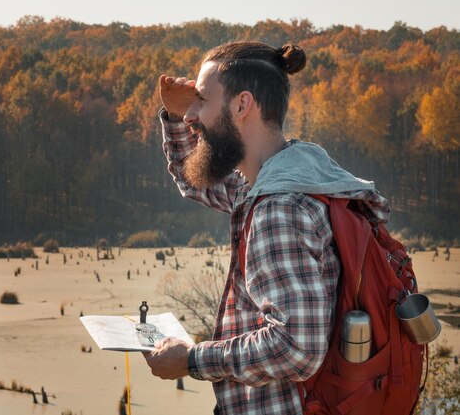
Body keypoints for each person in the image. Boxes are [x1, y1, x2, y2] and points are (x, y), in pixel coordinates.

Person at [143, 42, 391, 415]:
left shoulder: (279, 208)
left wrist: (192, 360)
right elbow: (196, 179)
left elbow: (295, 348)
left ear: (242, 105)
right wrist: (178, 114)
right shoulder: (301, 177)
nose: (192, 116)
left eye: (203, 101)